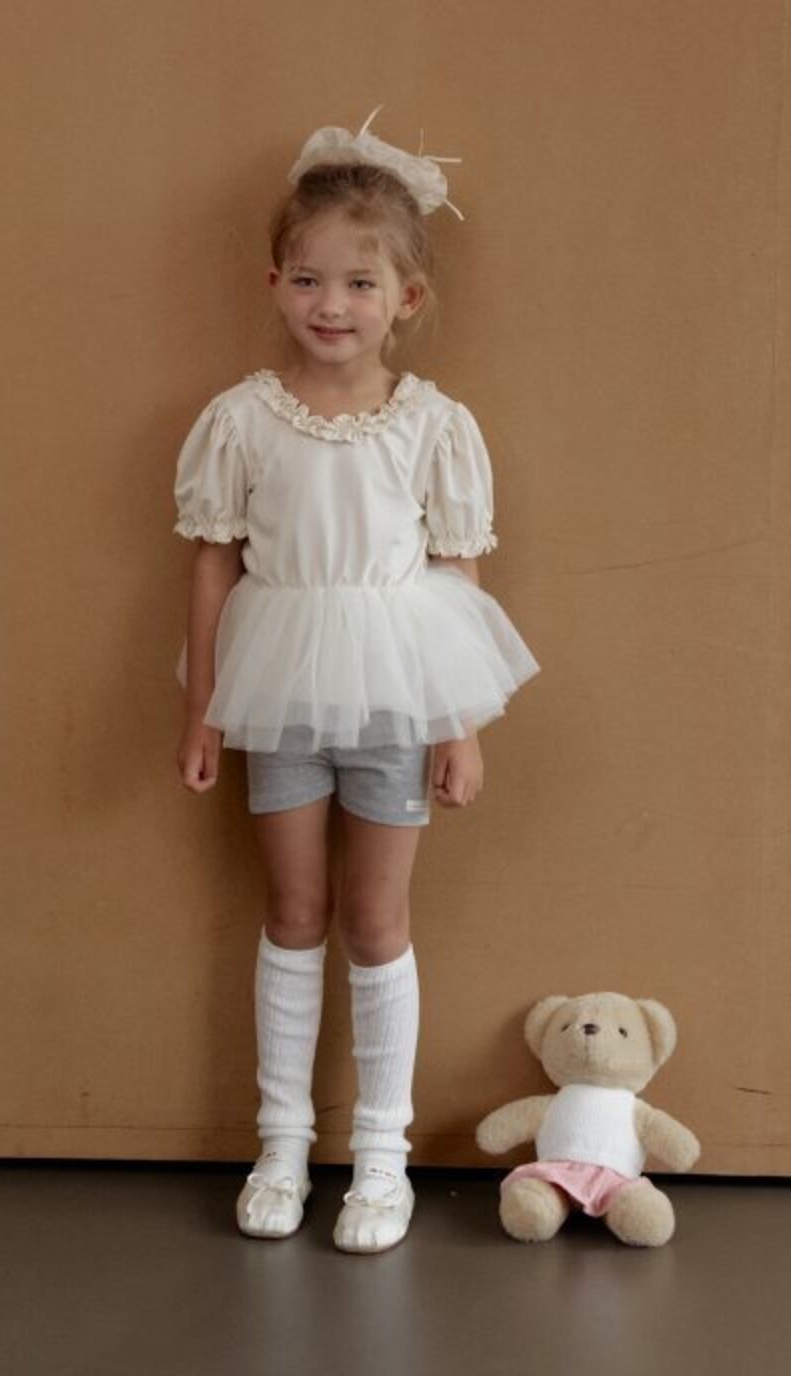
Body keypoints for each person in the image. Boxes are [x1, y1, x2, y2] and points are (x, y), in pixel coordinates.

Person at [173, 105, 541, 1252]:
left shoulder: (431, 426)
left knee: (377, 921)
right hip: (277, 691)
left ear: (405, 299)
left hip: (393, 693)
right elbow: (213, 561)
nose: (330, 305)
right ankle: (282, 1141)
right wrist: (201, 708)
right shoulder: (243, 419)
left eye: (358, 284)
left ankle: (381, 1153)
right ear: (274, 283)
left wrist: (457, 723)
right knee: (293, 912)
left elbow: (458, 573)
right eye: (308, 280)